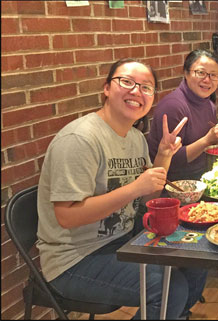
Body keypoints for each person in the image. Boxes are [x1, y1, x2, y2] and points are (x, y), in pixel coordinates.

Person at [37, 58, 207, 319]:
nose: (136, 91)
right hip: (75, 260)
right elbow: (67, 216)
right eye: (126, 82)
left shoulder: (136, 137)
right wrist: (133, 188)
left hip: (122, 238)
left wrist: (164, 155)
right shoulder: (80, 139)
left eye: (146, 87)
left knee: (197, 257)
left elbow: (146, 197)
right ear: (106, 88)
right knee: (169, 289)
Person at [147, 49, 218, 182]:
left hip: (202, 177)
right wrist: (207, 140)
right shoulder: (173, 106)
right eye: (201, 73)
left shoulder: (208, 104)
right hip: (174, 186)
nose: (207, 80)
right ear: (186, 73)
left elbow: (207, 146)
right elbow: (172, 160)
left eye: (213, 75)